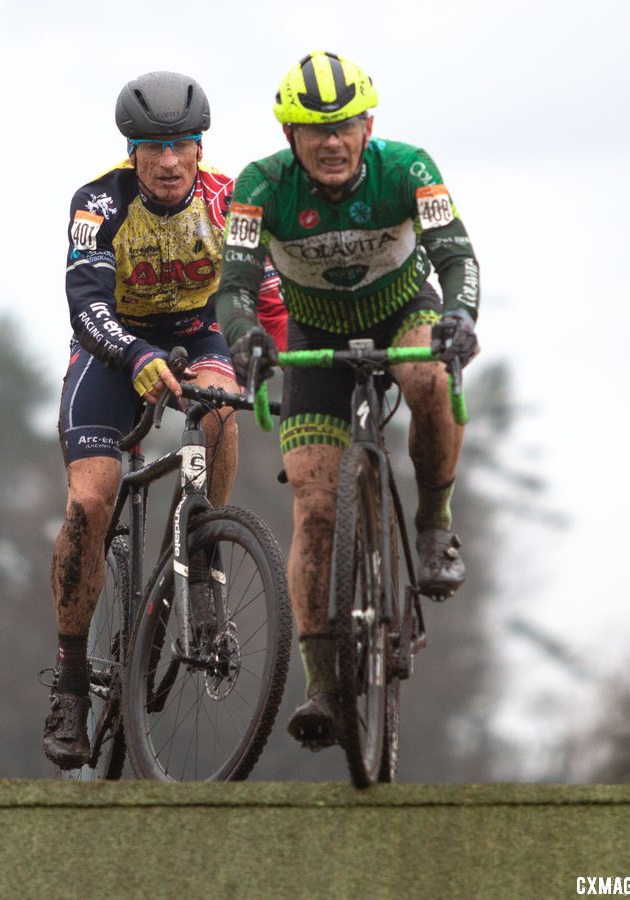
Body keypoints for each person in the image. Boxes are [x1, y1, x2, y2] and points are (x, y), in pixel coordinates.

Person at [215, 51, 481, 750]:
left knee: (428, 380)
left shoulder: (409, 169)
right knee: (315, 501)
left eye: (345, 126)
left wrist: (460, 318)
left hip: (403, 312)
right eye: (314, 129)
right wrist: (243, 336)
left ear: (368, 126)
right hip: (316, 334)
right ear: (290, 137)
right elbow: (235, 284)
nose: (331, 142)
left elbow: (456, 256)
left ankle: (432, 525)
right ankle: (325, 684)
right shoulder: (259, 187)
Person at [45, 71, 284, 769]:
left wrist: (295, 366)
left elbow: (266, 298)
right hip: (111, 346)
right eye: (154, 147)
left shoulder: (231, 199)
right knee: (91, 498)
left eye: (183, 144)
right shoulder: (98, 202)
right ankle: (66, 683)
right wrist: (135, 353)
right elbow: (84, 304)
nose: (171, 161)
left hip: (201, 334)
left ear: (200, 146)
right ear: (132, 152)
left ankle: (202, 557)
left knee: (217, 416)